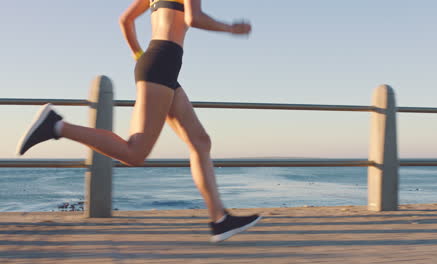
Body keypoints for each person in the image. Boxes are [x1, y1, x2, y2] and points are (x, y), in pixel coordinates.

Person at [16, 0, 261, 243]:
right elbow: (193, 18)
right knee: (135, 153)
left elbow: (126, 20)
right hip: (163, 63)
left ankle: (219, 219)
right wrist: (231, 28)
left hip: (160, 63)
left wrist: (139, 55)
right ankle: (57, 126)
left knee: (200, 141)